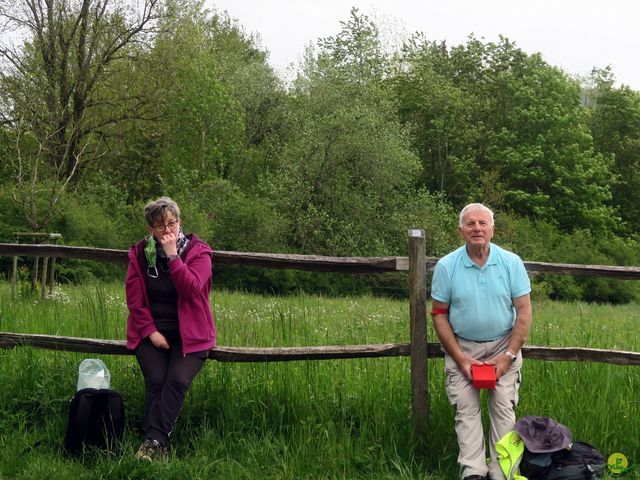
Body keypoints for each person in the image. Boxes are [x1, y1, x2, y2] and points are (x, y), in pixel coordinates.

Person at [430, 203, 532, 480]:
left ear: (492, 229)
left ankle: (503, 473)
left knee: (503, 408)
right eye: (471, 224)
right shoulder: (447, 266)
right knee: (466, 410)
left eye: (483, 223)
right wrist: (460, 358)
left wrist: (508, 355)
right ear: (461, 231)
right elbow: (439, 314)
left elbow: (524, 312)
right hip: (461, 346)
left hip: (504, 345)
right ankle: (473, 473)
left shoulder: (511, 263)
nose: (477, 228)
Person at [125, 196, 215, 461]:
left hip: (191, 334)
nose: (168, 231)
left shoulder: (199, 252)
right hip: (151, 331)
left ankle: (152, 442)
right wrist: (151, 332)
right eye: (160, 226)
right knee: (155, 381)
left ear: (180, 223)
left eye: (172, 224)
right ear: (151, 229)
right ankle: (157, 445)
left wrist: (174, 256)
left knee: (176, 381)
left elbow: (192, 290)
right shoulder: (141, 254)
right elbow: (134, 299)